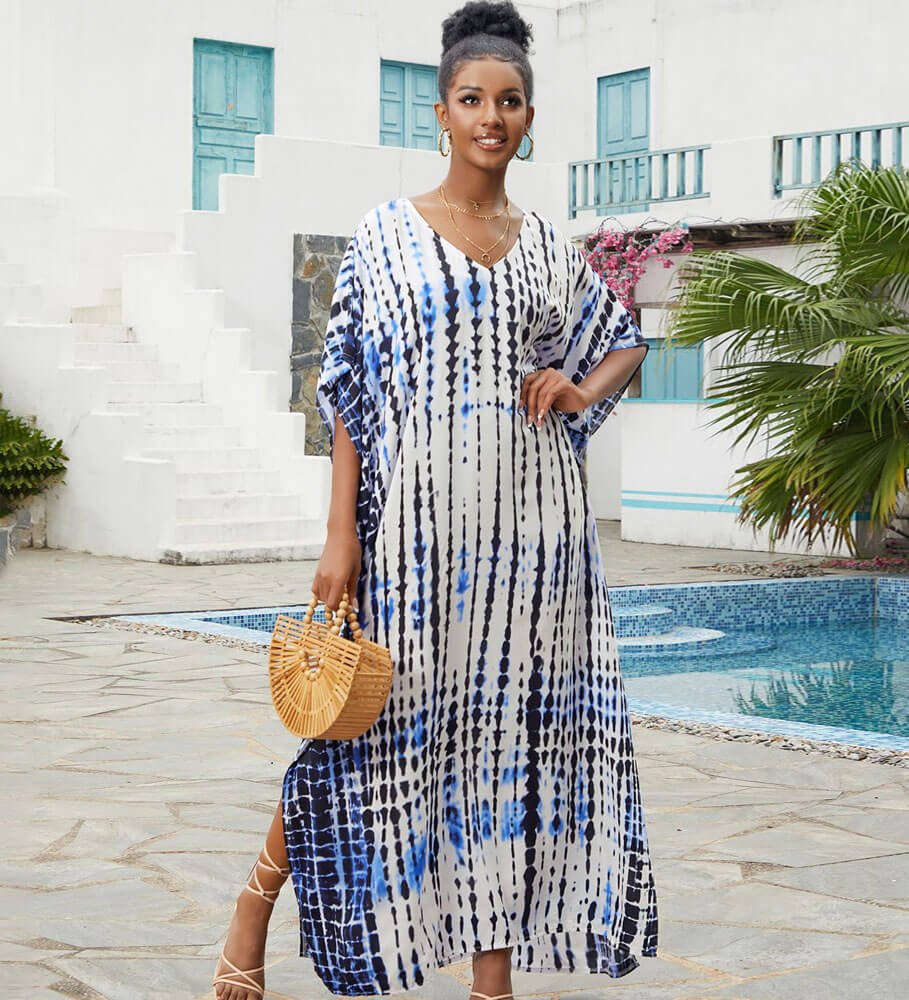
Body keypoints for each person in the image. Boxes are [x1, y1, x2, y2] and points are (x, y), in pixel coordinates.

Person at [212, 2, 658, 998]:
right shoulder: (386, 235)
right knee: (358, 732)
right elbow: (347, 391)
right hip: (411, 536)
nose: (490, 116)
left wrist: (579, 387)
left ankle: (489, 983)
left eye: (508, 101)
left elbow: (624, 331)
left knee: (508, 749)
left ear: (529, 117)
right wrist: (341, 538)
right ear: (442, 112)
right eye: (472, 99)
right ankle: (254, 900)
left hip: (530, 542)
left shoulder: (544, 243)